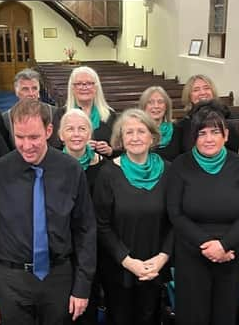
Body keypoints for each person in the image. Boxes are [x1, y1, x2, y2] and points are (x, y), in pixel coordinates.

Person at [0, 98, 97, 325]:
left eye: (34, 137)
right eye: (19, 137)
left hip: (58, 277)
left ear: (49, 131)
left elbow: (85, 231)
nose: (26, 145)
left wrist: (82, 286)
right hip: (10, 280)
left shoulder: (71, 170)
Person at [167, 109, 239, 325]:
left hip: (231, 252)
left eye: (214, 132)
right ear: (193, 137)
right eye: (202, 133)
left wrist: (224, 245)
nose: (208, 139)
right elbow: (175, 213)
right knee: (192, 316)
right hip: (192, 252)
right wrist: (207, 245)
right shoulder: (180, 165)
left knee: (224, 316)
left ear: (225, 135)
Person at [94, 109, 172, 325]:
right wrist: (128, 261)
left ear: (152, 136)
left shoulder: (169, 171)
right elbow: (101, 225)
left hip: (156, 268)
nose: (135, 137)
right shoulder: (108, 173)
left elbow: (176, 220)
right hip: (119, 269)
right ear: (120, 138)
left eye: (141, 131)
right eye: (129, 132)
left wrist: (162, 258)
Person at [58, 108, 108, 325]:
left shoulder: (105, 167)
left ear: (90, 134)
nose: (76, 134)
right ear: (60, 135)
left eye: (82, 129)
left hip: (93, 247)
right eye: (70, 129)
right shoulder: (51, 166)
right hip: (61, 249)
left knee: (88, 306)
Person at [52, 66, 116, 156]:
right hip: (70, 165)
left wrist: (110, 151)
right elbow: (54, 146)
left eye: (89, 83)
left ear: (96, 87)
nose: (84, 87)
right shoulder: (61, 114)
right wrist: (77, 145)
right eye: (79, 84)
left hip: (103, 165)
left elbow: (120, 147)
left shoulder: (109, 115)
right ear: (72, 88)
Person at [177, 75, 239, 153]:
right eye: (196, 90)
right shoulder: (182, 125)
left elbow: (236, 151)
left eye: (206, 88)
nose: (202, 93)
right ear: (189, 96)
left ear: (213, 92)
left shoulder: (228, 120)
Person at [3, 68, 58, 146]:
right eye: (25, 89)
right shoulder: (6, 118)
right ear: (16, 92)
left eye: (34, 88)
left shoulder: (53, 113)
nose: (31, 94)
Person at [139, 86, 182, 161]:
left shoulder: (178, 129)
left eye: (160, 102)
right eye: (150, 102)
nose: (156, 106)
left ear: (166, 107)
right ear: (143, 107)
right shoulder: (136, 131)